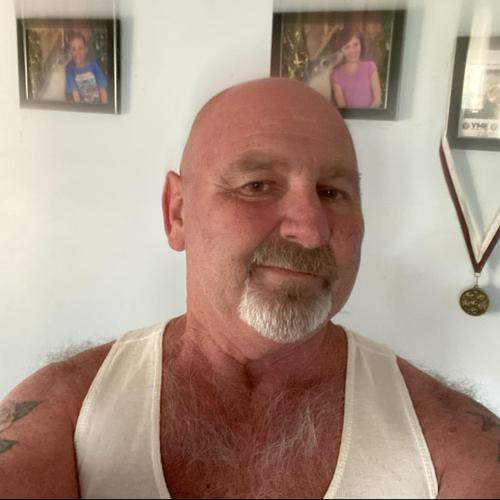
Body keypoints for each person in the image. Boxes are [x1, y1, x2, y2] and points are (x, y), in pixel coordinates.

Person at [1, 78, 499, 499]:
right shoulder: (64, 416)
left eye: (333, 192)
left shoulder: (449, 442)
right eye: (257, 185)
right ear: (178, 213)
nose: (311, 230)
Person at [330, 25, 382, 109]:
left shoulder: (370, 67)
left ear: (361, 44)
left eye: (356, 44)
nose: (353, 51)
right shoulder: (336, 75)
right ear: (340, 51)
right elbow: (342, 106)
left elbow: (377, 99)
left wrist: (366, 115)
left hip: (370, 115)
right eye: (347, 47)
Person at [65, 31, 108, 104]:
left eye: (80, 48)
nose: (77, 52)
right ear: (70, 52)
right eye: (74, 49)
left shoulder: (94, 66)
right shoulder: (70, 71)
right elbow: (76, 96)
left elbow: (102, 91)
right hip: (83, 107)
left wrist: (104, 107)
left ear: (86, 49)